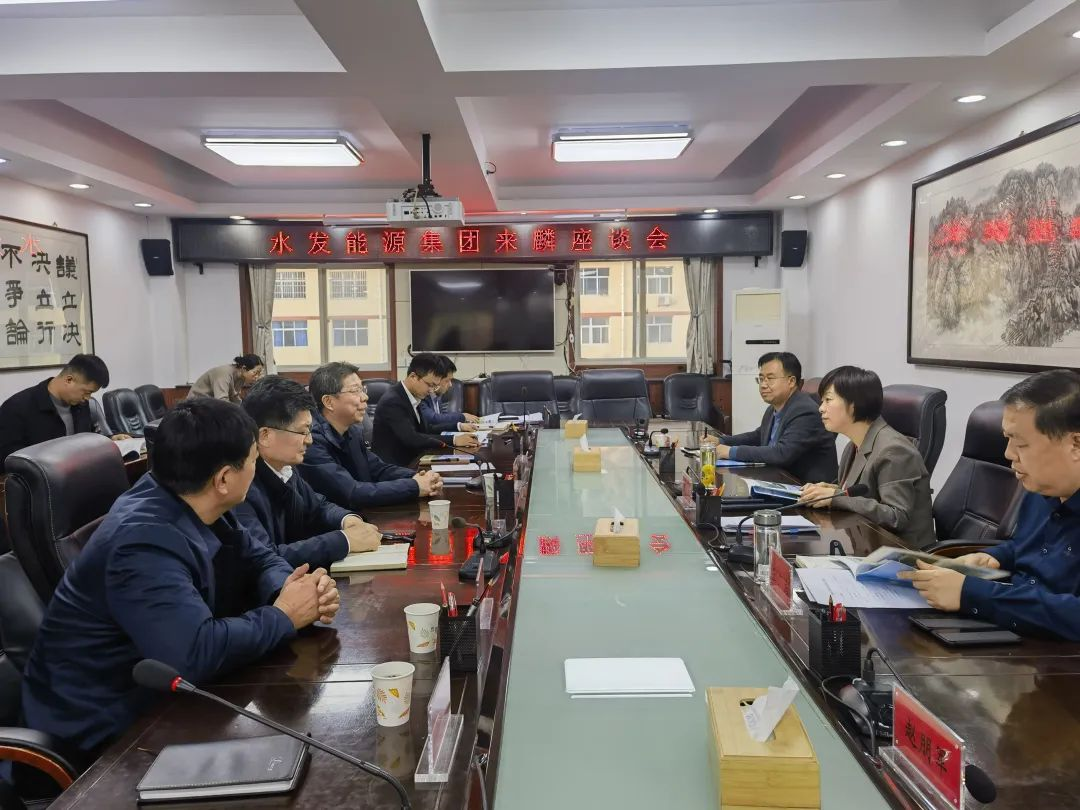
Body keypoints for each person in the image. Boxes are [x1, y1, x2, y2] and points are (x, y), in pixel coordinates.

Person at [20, 398, 339, 755]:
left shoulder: (194, 496)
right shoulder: (140, 542)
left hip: (167, 701)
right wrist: (285, 615)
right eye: (253, 460)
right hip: (106, 731)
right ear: (223, 479)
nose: (256, 468)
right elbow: (194, 653)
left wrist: (291, 589)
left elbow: (259, 557)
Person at [900, 369, 1080, 640]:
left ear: (1075, 444)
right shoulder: (1041, 489)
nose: (1008, 454)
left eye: (1020, 444)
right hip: (1015, 630)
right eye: (1008, 439)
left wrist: (971, 594)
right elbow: (1029, 546)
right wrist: (996, 557)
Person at [235, 376, 382, 569]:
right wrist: (344, 540)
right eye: (302, 432)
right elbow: (265, 558)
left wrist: (347, 520)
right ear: (265, 436)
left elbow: (318, 506)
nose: (310, 440)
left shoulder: (284, 468)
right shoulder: (239, 486)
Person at [799, 365, 935, 548]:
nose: (821, 408)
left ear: (854, 404)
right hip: (866, 542)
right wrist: (830, 490)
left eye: (828, 400)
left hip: (901, 552)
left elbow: (896, 516)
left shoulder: (894, 450)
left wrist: (835, 497)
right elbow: (862, 492)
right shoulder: (854, 445)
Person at [299, 362, 443, 509]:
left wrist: (419, 476)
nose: (365, 397)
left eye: (362, 389)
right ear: (329, 402)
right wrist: (414, 486)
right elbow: (352, 493)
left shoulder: (352, 430)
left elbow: (377, 469)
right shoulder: (310, 441)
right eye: (355, 391)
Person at [710, 352, 837, 483]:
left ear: (791, 381)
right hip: (777, 479)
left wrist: (730, 452)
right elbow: (759, 436)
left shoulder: (805, 411)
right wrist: (721, 441)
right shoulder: (774, 407)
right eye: (761, 379)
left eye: (770, 378)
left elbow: (781, 453)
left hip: (804, 488)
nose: (763, 385)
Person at [0, 354, 129, 467]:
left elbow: (86, 439)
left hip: (81, 474)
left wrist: (109, 440)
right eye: (87, 392)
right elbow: (8, 460)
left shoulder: (81, 405)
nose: (87, 398)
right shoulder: (17, 408)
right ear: (69, 380)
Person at [371, 353, 479, 466]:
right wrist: (454, 440)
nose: (431, 391)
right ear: (413, 377)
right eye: (430, 385)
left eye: (435, 386)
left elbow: (427, 429)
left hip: (413, 459)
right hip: (395, 467)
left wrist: (457, 428)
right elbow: (411, 438)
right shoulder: (393, 401)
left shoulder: (413, 396)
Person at [418, 356, 480, 432]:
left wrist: (460, 425)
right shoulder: (422, 396)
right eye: (447, 381)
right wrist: (462, 417)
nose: (450, 385)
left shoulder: (436, 396)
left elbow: (441, 420)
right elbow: (433, 419)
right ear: (437, 378)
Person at [186, 354, 264, 402]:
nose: (257, 377)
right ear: (244, 368)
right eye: (255, 372)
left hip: (211, 404)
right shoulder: (224, 373)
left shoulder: (241, 377)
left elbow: (234, 398)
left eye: (259, 373)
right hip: (196, 404)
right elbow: (222, 400)